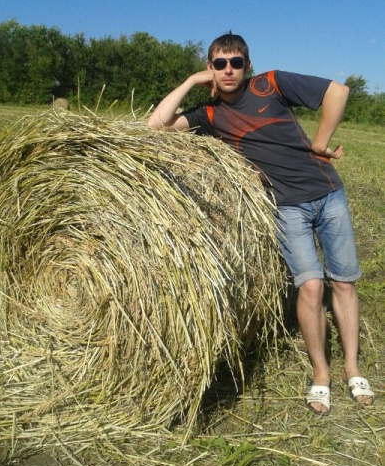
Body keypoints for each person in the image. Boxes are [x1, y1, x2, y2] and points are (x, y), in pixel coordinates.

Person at [147, 32, 375, 415]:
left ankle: (352, 367)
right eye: (220, 64)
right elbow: (153, 127)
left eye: (236, 62)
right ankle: (321, 372)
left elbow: (338, 91)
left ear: (247, 65)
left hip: (328, 192)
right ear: (210, 68)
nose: (229, 70)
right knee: (311, 287)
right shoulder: (209, 115)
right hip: (286, 207)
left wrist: (320, 141)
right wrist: (189, 82)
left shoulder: (270, 83)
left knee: (343, 283)